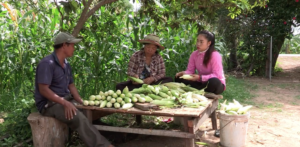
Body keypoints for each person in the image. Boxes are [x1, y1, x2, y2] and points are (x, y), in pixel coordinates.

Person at [34, 32, 114, 147]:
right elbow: (44, 90)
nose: (74, 48)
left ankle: (116, 137)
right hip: (49, 105)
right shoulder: (47, 64)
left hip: (66, 100)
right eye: (72, 45)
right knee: (78, 118)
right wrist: (64, 103)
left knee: (89, 112)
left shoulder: (66, 65)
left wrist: (81, 102)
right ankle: (103, 145)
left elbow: (71, 86)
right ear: (64, 46)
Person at [175, 30, 226, 94]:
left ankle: (196, 90)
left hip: (214, 84)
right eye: (197, 41)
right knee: (178, 78)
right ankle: (200, 91)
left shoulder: (215, 55)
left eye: (201, 42)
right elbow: (190, 71)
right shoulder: (194, 54)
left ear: (209, 43)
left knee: (214, 82)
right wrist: (183, 73)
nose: (198, 44)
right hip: (201, 82)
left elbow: (216, 75)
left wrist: (200, 77)